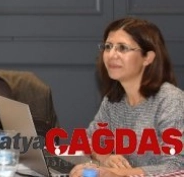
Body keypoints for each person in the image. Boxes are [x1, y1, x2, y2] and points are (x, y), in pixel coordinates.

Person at [69, 17, 184, 177]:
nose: (111, 55)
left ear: (148, 57)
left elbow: (177, 166)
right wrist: (105, 156)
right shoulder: (113, 101)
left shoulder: (171, 100)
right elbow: (87, 141)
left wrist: (118, 173)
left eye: (122, 48)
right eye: (108, 47)